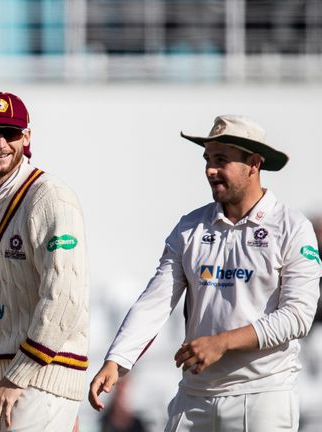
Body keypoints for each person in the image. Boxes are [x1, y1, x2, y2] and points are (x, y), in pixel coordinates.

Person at [89, 115, 321, 431]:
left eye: (221, 160)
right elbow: (155, 301)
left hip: (263, 396)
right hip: (195, 395)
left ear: (253, 164)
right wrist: (117, 360)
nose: (210, 170)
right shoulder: (190, 228)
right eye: (208, 159)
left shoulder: (293, 228)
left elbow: (298, 316)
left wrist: (222, 343)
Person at [0, 92, 90, 432]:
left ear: (27, 137)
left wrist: (19, 377)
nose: (1, 143)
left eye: (11, 133)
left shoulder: (50, 197)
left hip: (42, 375)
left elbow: (66, 298)